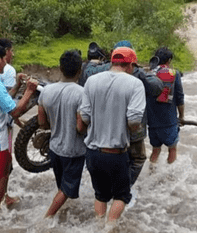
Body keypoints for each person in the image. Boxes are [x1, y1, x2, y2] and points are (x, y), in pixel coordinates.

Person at [78, 46, 146, 221]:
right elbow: (133, 121)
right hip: (115, 153)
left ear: (113, 62)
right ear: (130, 65)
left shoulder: (92, 81)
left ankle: (99, 226)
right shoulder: (135, 84)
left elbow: (84, 116)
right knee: (121, 196)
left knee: (100, 195)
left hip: (92, 153)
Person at [80, 40, 161, 186]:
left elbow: (85, 75)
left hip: (99, 129)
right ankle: (124, 188)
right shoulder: (136, 73)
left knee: (99, 163)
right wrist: (140, 73)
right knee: (137, 159)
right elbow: (157, 88)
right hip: (132, 131)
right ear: (131, 61)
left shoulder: (96, 72)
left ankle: (101, 188)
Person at [0, 43, 38, 212]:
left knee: (2, 170)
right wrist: (29, 91)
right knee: (1, 176)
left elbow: (1, 102)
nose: (6, 62)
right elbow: (15, 111)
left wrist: (17, 86)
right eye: (4, 58)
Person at [38, 50, 86, 217]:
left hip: (54, 148)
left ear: (60, 68)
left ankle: (62, 214)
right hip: (73, 150)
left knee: (62, 186)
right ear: (80, 70)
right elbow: (80, 128)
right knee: (66, 189)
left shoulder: (46, 91)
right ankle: (47, 217)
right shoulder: (81, 93)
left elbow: (42, 123)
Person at [146, 47, 185, 165]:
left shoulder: (149, 74)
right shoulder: (174, 74)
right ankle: (170, 177)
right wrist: (181, 116)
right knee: (172, 149)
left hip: (152, 121)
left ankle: (151, 173)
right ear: (169, 60)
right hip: (169, 121)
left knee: (155, 151)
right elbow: (179, 98)